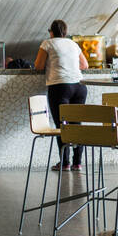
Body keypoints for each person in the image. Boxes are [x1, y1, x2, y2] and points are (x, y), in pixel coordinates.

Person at [34, 20, 89, 171]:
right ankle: (77, 163)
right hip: (79, 87)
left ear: (51, 31)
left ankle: (64, 163)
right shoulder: (72, 43)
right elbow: (85, 65)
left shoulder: (47, 43)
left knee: (62, 126)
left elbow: (38, 66)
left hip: (60, 87)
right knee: (76, 125)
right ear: (65, 32)